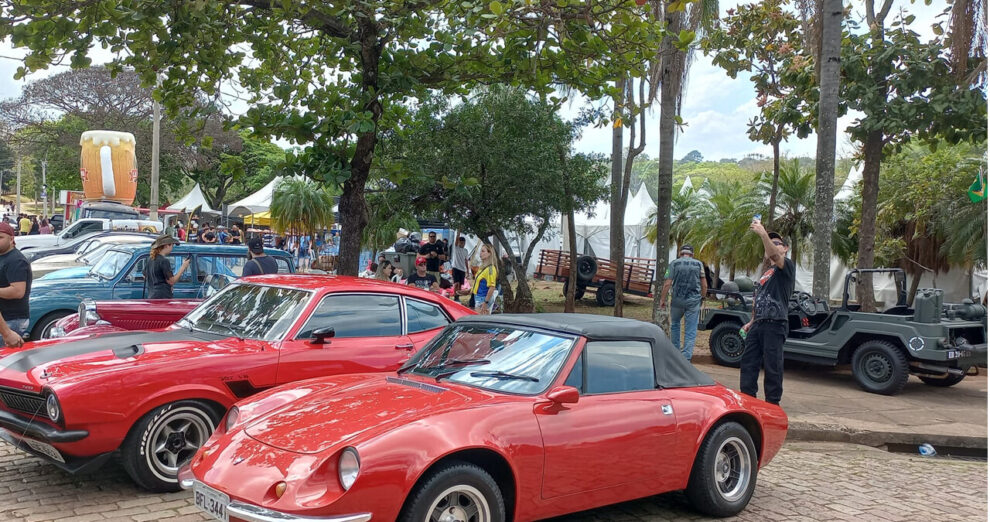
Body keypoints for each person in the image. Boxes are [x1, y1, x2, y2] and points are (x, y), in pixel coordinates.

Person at [740, 226, 795, 406]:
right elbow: (759, 298)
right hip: (759, 324)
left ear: (785, 248)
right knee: (748, 364)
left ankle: (772, 405)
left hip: (775, 323)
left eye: (777, 243)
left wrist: (764, 234)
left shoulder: (786, 267)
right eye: (770, 243)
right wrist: (752, 321)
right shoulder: (765, 273)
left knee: (773, 367)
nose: (772, 246)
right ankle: (749, 402)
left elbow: (775, 257)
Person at [659, 244, 708, 360]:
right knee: (690, 330)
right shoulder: (699, 264)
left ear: (680, 253)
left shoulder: (673, 264)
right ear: (692, 254)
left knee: (675, 325)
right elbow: (704, 284)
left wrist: (662, 299)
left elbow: (667, 283)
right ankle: (686, 358)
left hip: (677, 301)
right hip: (693, 301)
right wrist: (703, 297)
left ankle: (675, 354)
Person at [0, 223, 31, 344]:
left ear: (11, 239)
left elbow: (18, 291)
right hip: (5, 319)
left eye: (0, 237)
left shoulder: (16, 260)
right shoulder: (3, 256)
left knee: (6, 359)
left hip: (12, 319)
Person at [462, 243, 497, 314]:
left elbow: (492, 287)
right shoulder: (482, 267)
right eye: (481, 251)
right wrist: (470, 290)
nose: (480, 253)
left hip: (482, 298)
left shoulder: (490, 269)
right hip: (478, 296)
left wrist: (485, 302)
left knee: (481, 320)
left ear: (489, 253)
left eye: (483, 251)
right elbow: (478, 282)